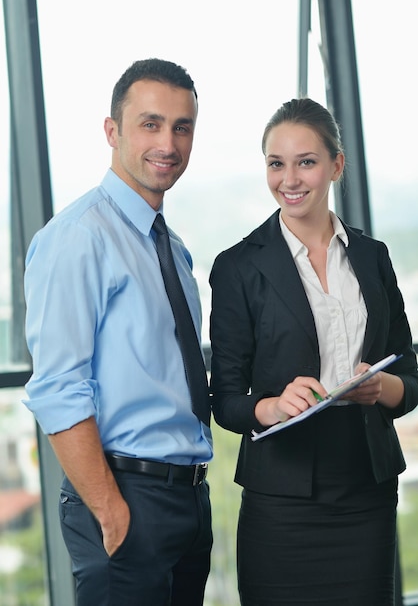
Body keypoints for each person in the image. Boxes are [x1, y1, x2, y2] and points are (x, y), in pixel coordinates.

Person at [209, 97, 418, 606]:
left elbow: (409, 376)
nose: (290, 179)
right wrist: (274, 406)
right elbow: (226, 399)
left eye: (306, 161)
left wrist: (381, 386)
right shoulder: (238, 267)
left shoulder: (372, 256)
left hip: (365, 490)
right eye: (276, 164)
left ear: (336, 166)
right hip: (281, 500)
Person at [23, 58, 213, 606]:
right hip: (124, 495)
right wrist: (111, 510)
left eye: (182, 127)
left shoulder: (171, 248)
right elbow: (58, 387)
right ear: (113, 131)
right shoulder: (79, 237)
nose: (169, 143)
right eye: (151, 124)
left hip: (187, 498)